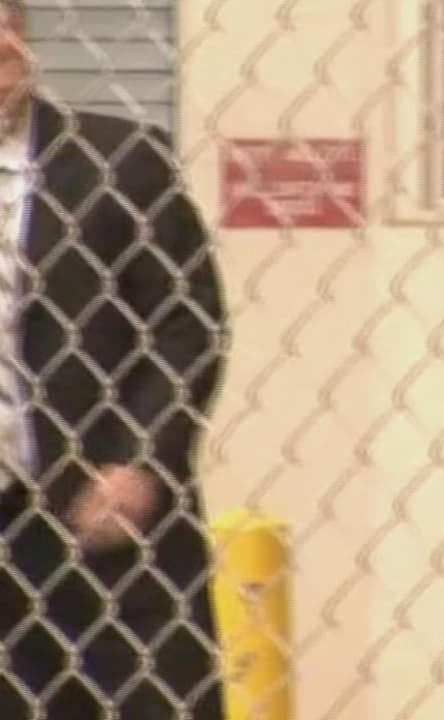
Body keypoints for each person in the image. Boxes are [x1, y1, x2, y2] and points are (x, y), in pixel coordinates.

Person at [0, 2, 228, 717]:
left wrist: (140, 459)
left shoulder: (119, 160)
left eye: (7, 24)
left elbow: (187, 322)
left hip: (94, 509)